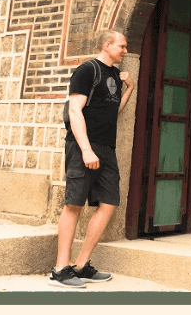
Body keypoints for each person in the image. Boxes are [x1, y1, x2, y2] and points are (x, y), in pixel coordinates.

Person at [50, 29, 135, 288]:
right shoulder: (87, 70)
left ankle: (81, 265)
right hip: (82, 145)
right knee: (74, 204)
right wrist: (86, 149)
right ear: (107, 45)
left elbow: (113, 110)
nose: (125, 50)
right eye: (121, 46)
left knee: (109, 202)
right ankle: (60, 269)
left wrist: (130, 87)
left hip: (106, 148)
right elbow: (75, 110)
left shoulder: (113, 75)